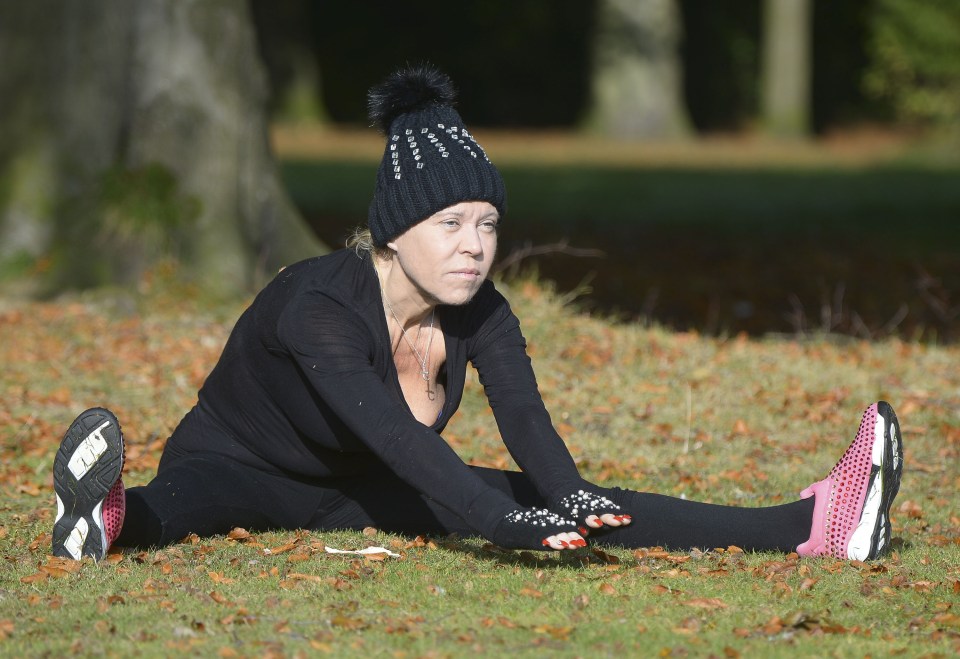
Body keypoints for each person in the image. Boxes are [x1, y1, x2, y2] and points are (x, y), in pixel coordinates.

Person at [51, 64, 903, 563]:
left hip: (359, 492)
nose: (475, 245)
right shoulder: (318, 306)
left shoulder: (483, 311)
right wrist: (500, 521)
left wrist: (565, 499)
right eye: (450, 224)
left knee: (580, 499)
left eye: (488, 224)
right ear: (394, 232)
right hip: (239, 462)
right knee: (177, 504)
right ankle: (103, 517)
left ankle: (814, 523)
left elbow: (530, 432)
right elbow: (401, 436)